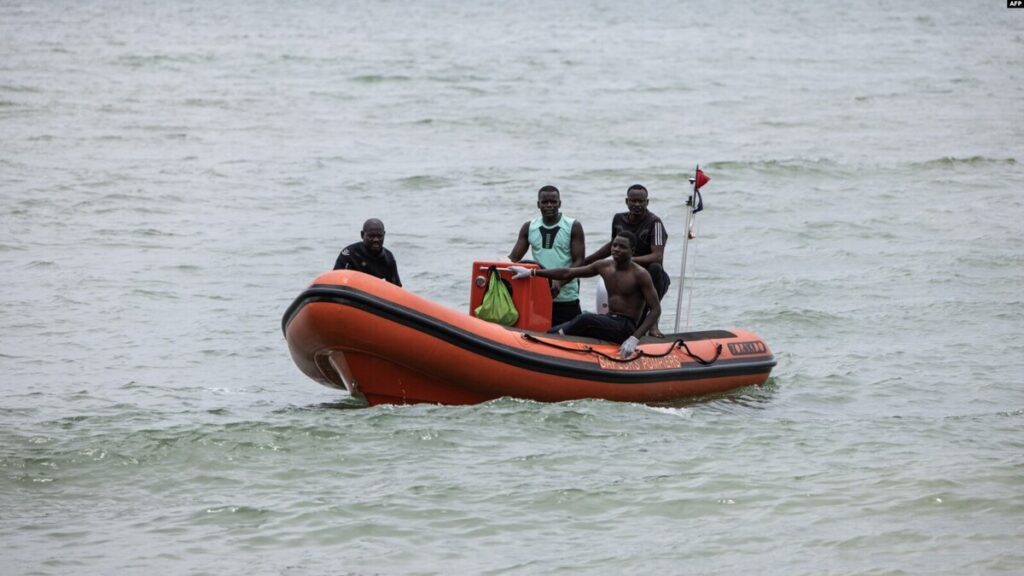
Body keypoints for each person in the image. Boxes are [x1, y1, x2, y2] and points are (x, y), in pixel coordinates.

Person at [509, 231, 663, 358]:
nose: (616, 249)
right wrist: (532, 272)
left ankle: (548, 347)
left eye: (622, 247)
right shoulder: (604, 266)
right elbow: (568, 272)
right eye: (614, 245)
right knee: (552, 331)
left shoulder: (640, 274)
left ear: (632, 251)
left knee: (585, 318)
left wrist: (634, 338)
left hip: (625, 326)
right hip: (609, 320)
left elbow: (655, 309)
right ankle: (548, 345)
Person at [507, 185, 586, 326]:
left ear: (560, 203)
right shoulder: (529, 227)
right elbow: (513, 258)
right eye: (545, 202)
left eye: (553, 202)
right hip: (538, 296)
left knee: (570, 338)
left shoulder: (573, 226)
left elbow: (579, 262)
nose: (549, 205)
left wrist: (559, 283)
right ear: (538, 204)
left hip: (566, 297)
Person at [584, 184, 670, 301]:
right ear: (626, 201)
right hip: (626, 270)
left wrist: (628, 260)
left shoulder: (655, 222)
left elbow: (657, 256)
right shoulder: (618, 219)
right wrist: (586, 261)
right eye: (633, 201)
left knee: (655, 267)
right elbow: (612, 246)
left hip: (649, 275)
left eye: (641, 201)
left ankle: (650, 308)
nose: (637, 204)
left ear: (647, 202)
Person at [333, 218, 402, 286]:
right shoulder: (349, 254)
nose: (376, 240)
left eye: (379, 236)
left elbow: (396, 288)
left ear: (384, 234)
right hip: (351, 292)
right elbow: (335, 280)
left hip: (373, 294)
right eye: (371, 236)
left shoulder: (388, 258)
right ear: (362, 235)